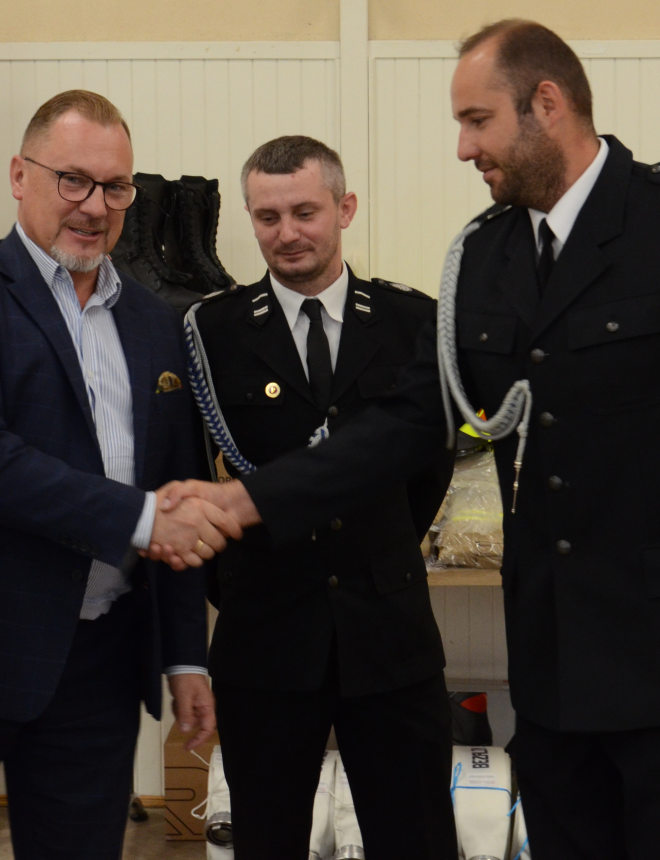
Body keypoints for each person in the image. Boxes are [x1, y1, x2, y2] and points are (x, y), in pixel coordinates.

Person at [160, 21, 660, 859]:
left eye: (477, 121)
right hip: (554, 677)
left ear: (548, 104)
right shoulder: (487, 254)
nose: (464, 148)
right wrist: (246, 499)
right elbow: (408, 421)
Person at [0, 90, 240, 860]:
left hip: (99, 664)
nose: (95, 207)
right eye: (73, 180)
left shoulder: (157, 324)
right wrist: (142, 519)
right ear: (19, 175)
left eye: (116, 187)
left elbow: (176, 487)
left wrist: (184, 656)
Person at [188, 136, 458, 860]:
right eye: (267, 217)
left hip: (388, 634)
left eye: (304, 212)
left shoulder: (412, 322)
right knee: (267, 841)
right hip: (265, 636)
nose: (287, 233)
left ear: (345, 208)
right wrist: (237, 585)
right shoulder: (211, 330)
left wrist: (379, 548)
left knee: (416, 838)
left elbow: (428, 468)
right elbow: (195, 472)